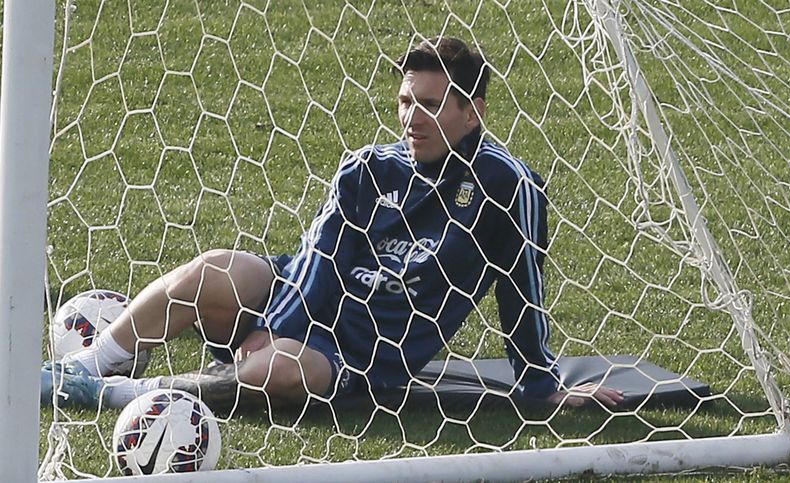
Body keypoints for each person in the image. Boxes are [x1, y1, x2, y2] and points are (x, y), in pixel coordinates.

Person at [41, 37, 623, 413]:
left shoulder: (508, 186)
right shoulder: (370, 167)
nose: (410, 118)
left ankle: (120, 394)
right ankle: (86, 365)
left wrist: (543, 385)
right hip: (301, 296)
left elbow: (522, 289)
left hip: (362, 350)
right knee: (213, 271)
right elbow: (319, 254)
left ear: (472, 112)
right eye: (403, 101)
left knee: (282, 369)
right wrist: (278, 323)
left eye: (429, 104)